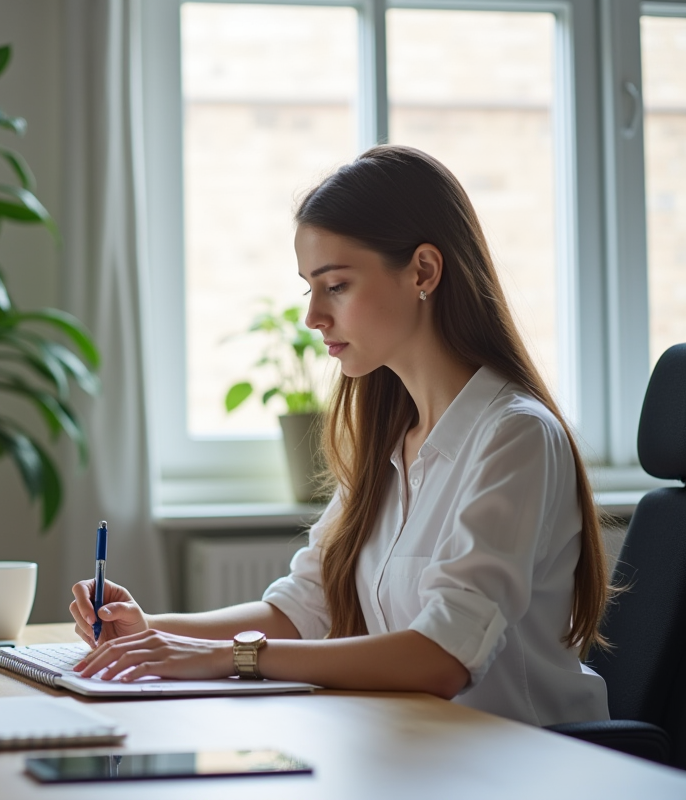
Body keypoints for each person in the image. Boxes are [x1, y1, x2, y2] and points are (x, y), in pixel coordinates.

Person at [69, 145, 612, 726]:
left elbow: (443, 658)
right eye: (310, 288)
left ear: (424, 271)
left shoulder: (516, 436)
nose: (313, 318)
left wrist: (224, 657)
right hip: (420, 751)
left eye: (337, 286)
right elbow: (300, 610)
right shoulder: (389, 441)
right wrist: (151, 631)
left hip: (523, 765)